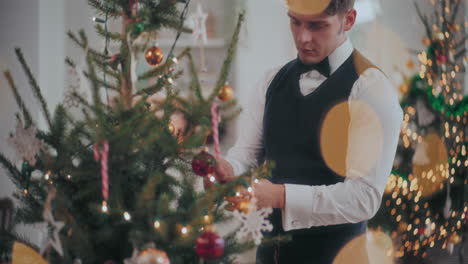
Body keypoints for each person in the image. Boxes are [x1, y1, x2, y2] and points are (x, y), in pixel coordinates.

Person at [213, 0, 403, 263]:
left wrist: (281, 196)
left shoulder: (371, 89)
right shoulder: (271, 81)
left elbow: (364, 198)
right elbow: (247, 155)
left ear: (348, 20)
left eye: (317, 26)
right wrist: (227, 169)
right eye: (295, 22)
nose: (303, 38)